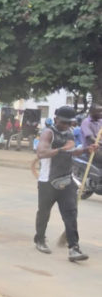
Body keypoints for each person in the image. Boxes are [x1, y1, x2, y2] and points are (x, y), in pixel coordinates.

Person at [34, 106, 98, 261]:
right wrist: (62, 148)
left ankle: (74, 248)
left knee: (70, 213)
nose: (66, 126)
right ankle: (40, 239)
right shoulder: (48, 133)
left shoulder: (69, 133)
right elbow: (41, 153)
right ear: (56, 119)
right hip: (48, 181)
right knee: (44, 212)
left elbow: (72, 152)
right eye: (63, 122)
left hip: (66, 179)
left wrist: (86, 149)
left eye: (70, 123)